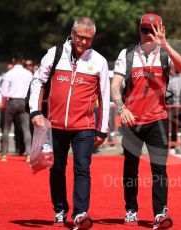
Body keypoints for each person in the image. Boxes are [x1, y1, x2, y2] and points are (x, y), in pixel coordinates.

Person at [29, 17, 110, 230]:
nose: (83, 42)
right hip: (54, 125)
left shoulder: (99, 61)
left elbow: (104, 95)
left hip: (84, 127)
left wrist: (102, 130)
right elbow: (38, 82)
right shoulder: (54, 54)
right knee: (56, 169)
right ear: (72, 34)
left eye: (89, 39)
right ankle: (60, 210)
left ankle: (80, 213)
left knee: (82, 168)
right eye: (80, 37)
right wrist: (36, 111)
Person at [111, 13, 181, 229]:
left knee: (159, 169)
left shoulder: (164, 54)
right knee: (130, 168)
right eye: (145, 30)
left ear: (161, 29)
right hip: (132, 120)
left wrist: (166, 44)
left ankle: (160, 213)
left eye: (153, 30)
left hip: (158, 120)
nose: (148, 35)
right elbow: (116, 84)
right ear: (139, 30)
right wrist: (121, 108)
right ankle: (131, 209)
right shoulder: (126, 54)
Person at [0, 53, 32, 162]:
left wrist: (5, 101)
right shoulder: (28, 74)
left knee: (6, 128)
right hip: (24, 102)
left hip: (12, 101)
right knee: (26, 129)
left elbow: (4, 91)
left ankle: (4, 155)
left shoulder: (9, 73)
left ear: (14, 60)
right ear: (23, 61)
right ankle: (28, 154)